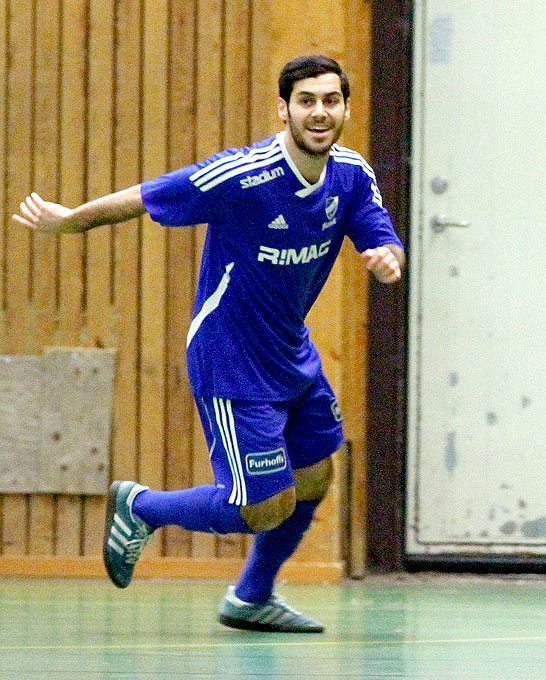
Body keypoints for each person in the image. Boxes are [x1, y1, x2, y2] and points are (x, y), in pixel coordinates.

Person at [13, 54, 405, 633]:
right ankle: (141, 506)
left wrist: (387, 259)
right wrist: (72, 220)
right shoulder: (243, 175)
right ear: (284, 109)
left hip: (290, 353)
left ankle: (250, 598)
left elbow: (379, 232)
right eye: (306, 101)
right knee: (262, 505)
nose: (319, 113)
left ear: (345, 107)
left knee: (316, 474)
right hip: (230, 358)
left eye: (330, 100)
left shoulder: (350, 173)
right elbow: (146, 197)